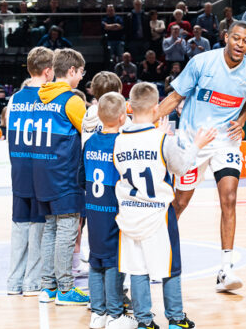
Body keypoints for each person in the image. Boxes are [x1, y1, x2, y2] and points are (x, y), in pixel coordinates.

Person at [154, 21, 246, 292]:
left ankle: (225, 271)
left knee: (229, 199)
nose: (240, 44)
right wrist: (145, 121)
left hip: (226, 142)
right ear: (226, 37)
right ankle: (156, 253)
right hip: (192, 140)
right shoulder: (201, 62)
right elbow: (173, 98)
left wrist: (242, 119)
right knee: (179, 202)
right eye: (236, 38)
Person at [114, 83, 215, 328]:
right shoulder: (162, 140)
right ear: (156, 107)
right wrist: (197, 145)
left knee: (137, 269)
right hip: (157, 212)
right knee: (170, 266)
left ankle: (144, 321)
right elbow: (182, 167)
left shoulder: (119, 140)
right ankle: (176, 318)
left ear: (130, 107)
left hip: (129, 211)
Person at [34, 48, 89, 305]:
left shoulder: (38, 97)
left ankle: (48, 287)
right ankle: (66, 289)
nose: (81, 77)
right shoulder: (72, 100)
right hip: (65, 175)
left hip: (42, 172)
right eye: (80, 72)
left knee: (51, 230)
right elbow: (91, 134)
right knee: (67, 230)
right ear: (71, 71)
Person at [80, 92, 137, 329]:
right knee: (114, 261)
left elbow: (82, 176)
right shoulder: (122, 143)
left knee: (95, 259)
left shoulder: (90, 142)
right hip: (114, 208)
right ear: (123, 117)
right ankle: (115, 314)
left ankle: (98, 312)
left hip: (93, 207)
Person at [5, 47, 53, 297]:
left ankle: (14, 281)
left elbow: (9, 136)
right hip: (40, 168)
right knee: (38, 225)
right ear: (48, 71)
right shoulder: (48, 98)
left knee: (19, 224)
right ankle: (33, 281)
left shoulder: (14, 98)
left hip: (19, 167)